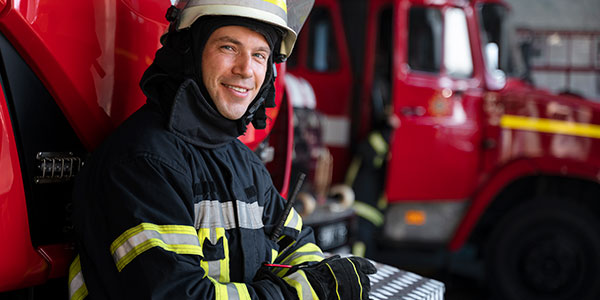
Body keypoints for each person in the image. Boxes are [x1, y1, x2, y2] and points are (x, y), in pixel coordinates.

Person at [68, 1, 375, 299]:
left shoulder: (244, 164)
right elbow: (178, 294)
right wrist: (305, 291)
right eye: (229, 47)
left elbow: (297, 246)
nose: (245, 69)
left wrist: (321, 275)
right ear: (191, 52)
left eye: (259, 55)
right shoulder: (144, 164)